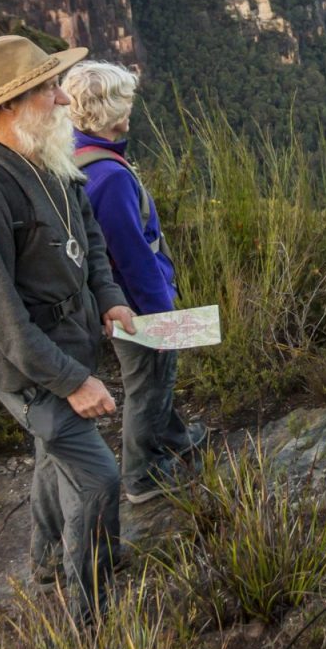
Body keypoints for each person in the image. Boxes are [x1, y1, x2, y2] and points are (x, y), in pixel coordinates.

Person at [0, 35, 137, 620]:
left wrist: (109, 298)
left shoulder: (48, 156)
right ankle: (91, 614)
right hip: (29, 370)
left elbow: (91, 236)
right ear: (8, 106)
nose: (61, 99)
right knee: (100, 479)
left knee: (55, 456)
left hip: (66, 343)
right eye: (47, 89)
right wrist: (73, 382)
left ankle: (49, 559)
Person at [61, 60, 205, 503]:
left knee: (155, 377)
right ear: (111, 112)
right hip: (136, 305)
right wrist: (162, 309)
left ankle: (177, 438)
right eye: (126, 101)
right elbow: (132, 255)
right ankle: (144, 476)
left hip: (111, 300)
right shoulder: (110, 177)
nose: (131, 109)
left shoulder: (71, 154)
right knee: (149, 382)